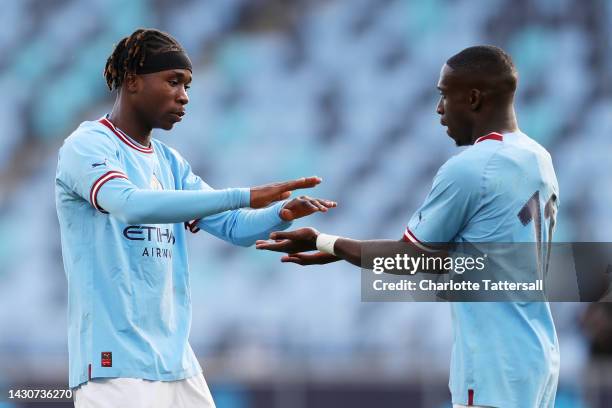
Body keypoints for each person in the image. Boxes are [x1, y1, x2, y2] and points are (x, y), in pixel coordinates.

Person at [256, 45, 560, 408]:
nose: (439, 109)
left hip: (495, 362)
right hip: (537, 352)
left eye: (444, 95)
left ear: (474, 98)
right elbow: (460, 258)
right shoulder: (537, 157)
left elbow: (412, 256)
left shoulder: (474, 166)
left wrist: (324, 241)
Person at [55, 28, 336, 408]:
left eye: (187, 85)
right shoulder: (86, 145)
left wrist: (280, 213)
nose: (184, 96)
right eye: (173, 82)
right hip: (114, 365)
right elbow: (129, 204)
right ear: (133, 81)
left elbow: (234, 227)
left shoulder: (170, 163)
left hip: (177, 364)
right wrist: (245, 195)